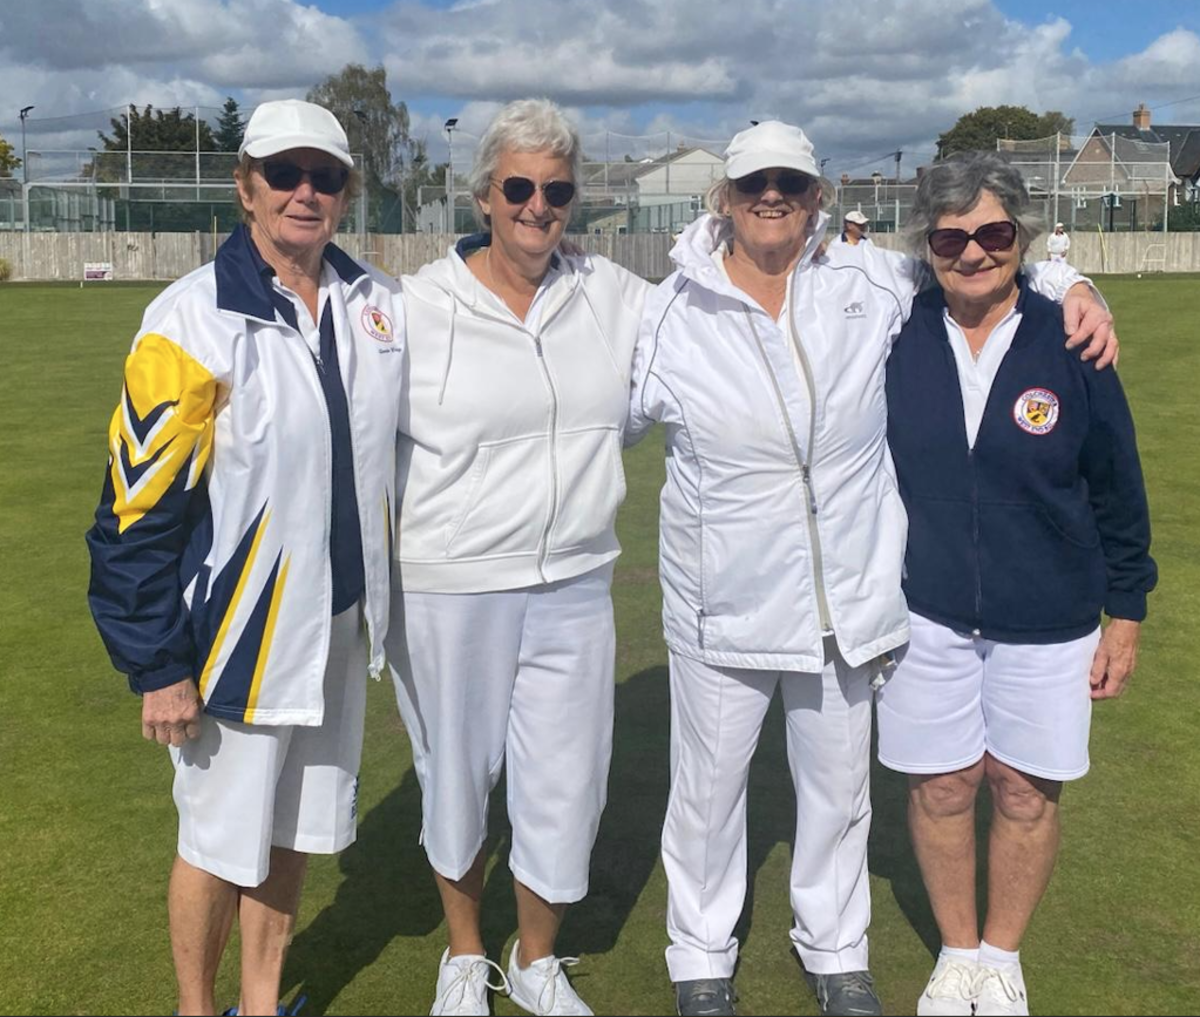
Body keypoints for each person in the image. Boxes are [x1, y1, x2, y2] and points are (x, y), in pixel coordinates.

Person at [626, 122, 1117, 1017]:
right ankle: (700, 954)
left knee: (840, 792)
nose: (771, 196)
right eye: (752, 184)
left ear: (817, 196)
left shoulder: (868, 280)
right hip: (720, 602)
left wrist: (1071, 280)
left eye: (790, 182)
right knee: (706, 794)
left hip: (846, 597)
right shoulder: (667, 310)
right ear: (725, 199)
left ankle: (836, 947)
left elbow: (972, 257)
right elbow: (592, 419)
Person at [85, 99, 406, 1017]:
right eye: (284, 173)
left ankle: (261, 1003)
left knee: (295, 830)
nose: (306, 193)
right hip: (236, 637)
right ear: (245, 185)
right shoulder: (188, 320)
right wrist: (157, 664)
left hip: (338, 629)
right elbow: (132, 515)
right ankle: (197, 1008)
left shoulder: (376, 302)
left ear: (346, 190)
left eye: (326, 176)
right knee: (219, 842)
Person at [386, 98, 649, 1017]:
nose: (540, 205)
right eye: (521, 187)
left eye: (559, 190)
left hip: (575, 583)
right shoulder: (415, 306)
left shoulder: (611, 294)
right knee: (453, 775)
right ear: (486, 195)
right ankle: (465, 956)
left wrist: (1066, 288)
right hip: (450, 587)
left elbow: (728, 291)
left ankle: (536, 960)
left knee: (565, 783)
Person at [878, 152, 1156, 1017]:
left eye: (994, 234)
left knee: (1024, 789)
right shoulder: (893, 331)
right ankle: (958, 952)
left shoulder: (1070, 336)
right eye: (952, 236)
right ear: (927, 245)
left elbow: (1117, 480)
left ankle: (1002, 958)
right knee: (941, 786)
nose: (973, 253)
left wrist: (1128, 610)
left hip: (1052, 614)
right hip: (923, 610)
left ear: (1022, 239)